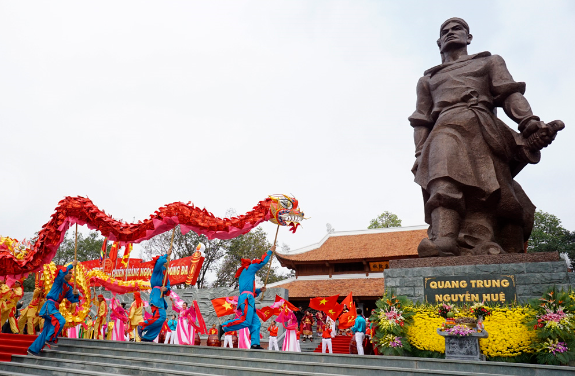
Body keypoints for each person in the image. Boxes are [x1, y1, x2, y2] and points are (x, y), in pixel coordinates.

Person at [410, 18, 564, 257]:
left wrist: (529, 122)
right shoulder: (427, 80)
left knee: (499, 196)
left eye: (457, 29)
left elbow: (509, 94)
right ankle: (444, 239)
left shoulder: (489, 62)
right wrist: (420, 153)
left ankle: (492, 240)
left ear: (468, 37)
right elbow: (421, 121)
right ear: (439, 43)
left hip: (484, 128)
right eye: (445, 31)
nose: (451, 33)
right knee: (442, 177)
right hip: (445, 128)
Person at [222, 246, 273, 350]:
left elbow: (249, 289)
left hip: (248, 298)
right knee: (246, 321)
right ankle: (224, 327)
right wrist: (270, 251)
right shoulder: (249, 268)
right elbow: (262, 262)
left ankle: (255, 344)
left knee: (256, 323)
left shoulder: (244, 273)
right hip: (247, 299)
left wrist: (259, 290)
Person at [27, 263, 81, 356]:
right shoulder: (59, 280)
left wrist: (76, 294)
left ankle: (33, 350)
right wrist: (71, 265)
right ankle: (50, 339)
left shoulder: (68, 287)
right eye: (68, 272)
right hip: (50, 305)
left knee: (46, 331)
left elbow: (72, 299)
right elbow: (60, 272)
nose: (70, 274)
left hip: (55, 307)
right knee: (60, 321)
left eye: (71, 273)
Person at [138, 250, 171, 342]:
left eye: (168, 259)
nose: (168, 260)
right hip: (156, 294)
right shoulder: (158, 269)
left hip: (161, 297)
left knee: (159, 319)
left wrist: (166, 289)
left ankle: (148, 337)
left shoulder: (166, 274)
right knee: (161, 317)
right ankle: (142, 325)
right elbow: (160, 261)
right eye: (167, 259)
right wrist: (166, 254)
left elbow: (168, 286)